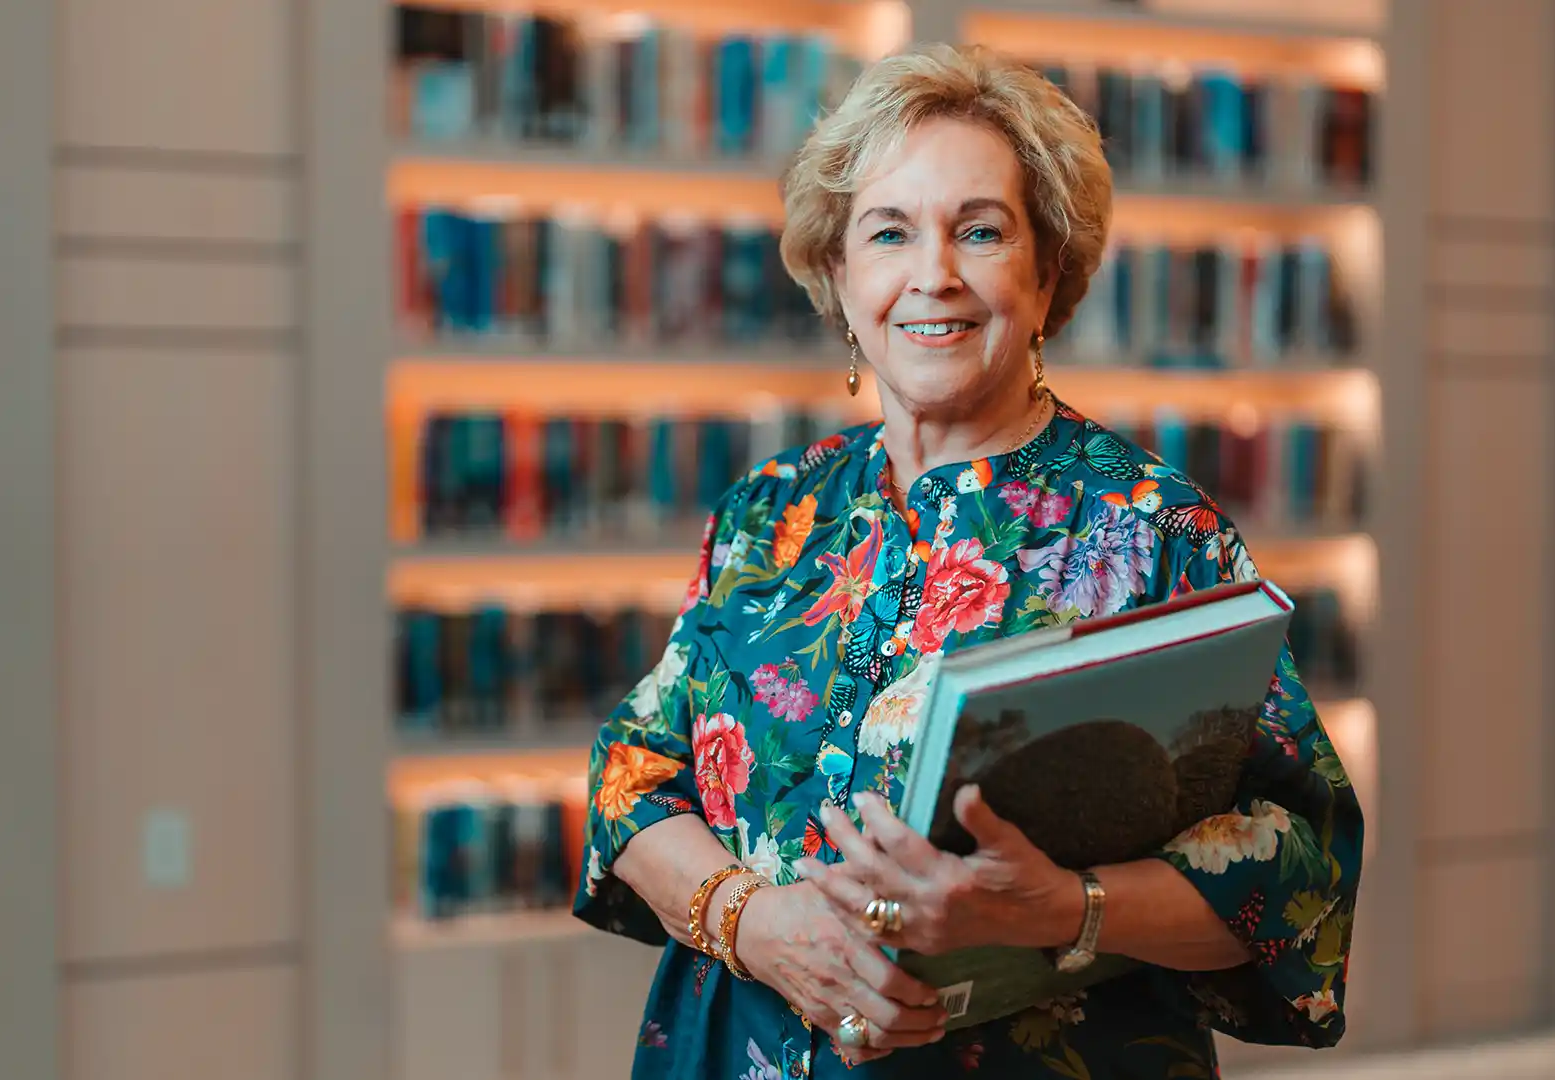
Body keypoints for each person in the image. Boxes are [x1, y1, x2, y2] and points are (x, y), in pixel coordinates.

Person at [571, 41, 1364, 1079]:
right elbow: (632, 777)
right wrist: (754, 926)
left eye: (980, 231)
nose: (932, 274)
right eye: (888, 232)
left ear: (1047, 279)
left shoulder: (1158, 529)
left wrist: (1062, 909)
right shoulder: (772, 509)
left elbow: (1291, 869)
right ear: (839, 275)